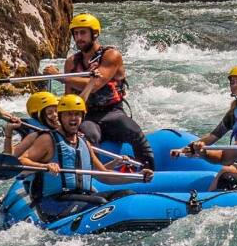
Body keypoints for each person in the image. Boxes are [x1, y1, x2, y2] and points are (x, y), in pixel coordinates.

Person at [16, 94, 152, 221]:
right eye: (69, 114)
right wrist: (45, 166)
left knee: (126, 194)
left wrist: (138, 176)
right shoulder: (48, 139)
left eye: (77, 114)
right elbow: (21, 161)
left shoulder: (84, 142)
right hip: (52, 202)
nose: (73, 118)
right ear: (61, 117)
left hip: (81, 197)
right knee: (101, 203)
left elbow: (104, 175)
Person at [46, 13, 155, 169]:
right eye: (75, 34)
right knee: (88, 136)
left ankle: (149, 172)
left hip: (112, 112)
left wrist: (60, 77)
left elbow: (96, 84)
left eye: (83, 33)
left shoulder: (111, 55)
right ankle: (88, 177)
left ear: (94, 34)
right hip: (87, 114)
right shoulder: (71, 62)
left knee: (135, 132)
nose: (79, 38)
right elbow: (69, 97)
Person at [189, 65, 237, 149]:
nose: (235, 85)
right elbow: (214, 136)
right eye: (232, 82)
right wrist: (188, 148)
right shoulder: (234, 112)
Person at [3, 91, 60, 156]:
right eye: (49, 113)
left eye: (57, 111)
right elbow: (9, 156)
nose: (55, 115)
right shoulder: (32, 134)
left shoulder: (66, 127)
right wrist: (9, 131)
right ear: (38, 116)